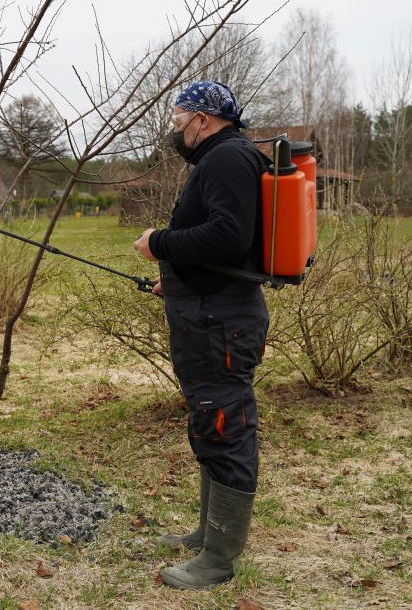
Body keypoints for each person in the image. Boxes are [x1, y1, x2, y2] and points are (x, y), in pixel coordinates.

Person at [132, 80, 271, 590]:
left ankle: (219, 559)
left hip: (221, 322)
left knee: (223, 423)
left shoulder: (227, 158)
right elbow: (222, 253)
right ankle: (208, 533)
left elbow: (229, 235)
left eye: (177, 121)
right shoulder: (223, 157)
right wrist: (173, 282)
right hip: (209, 312)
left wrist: (159, 243)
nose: (175, 130)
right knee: (210, 420)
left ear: (203, 119)